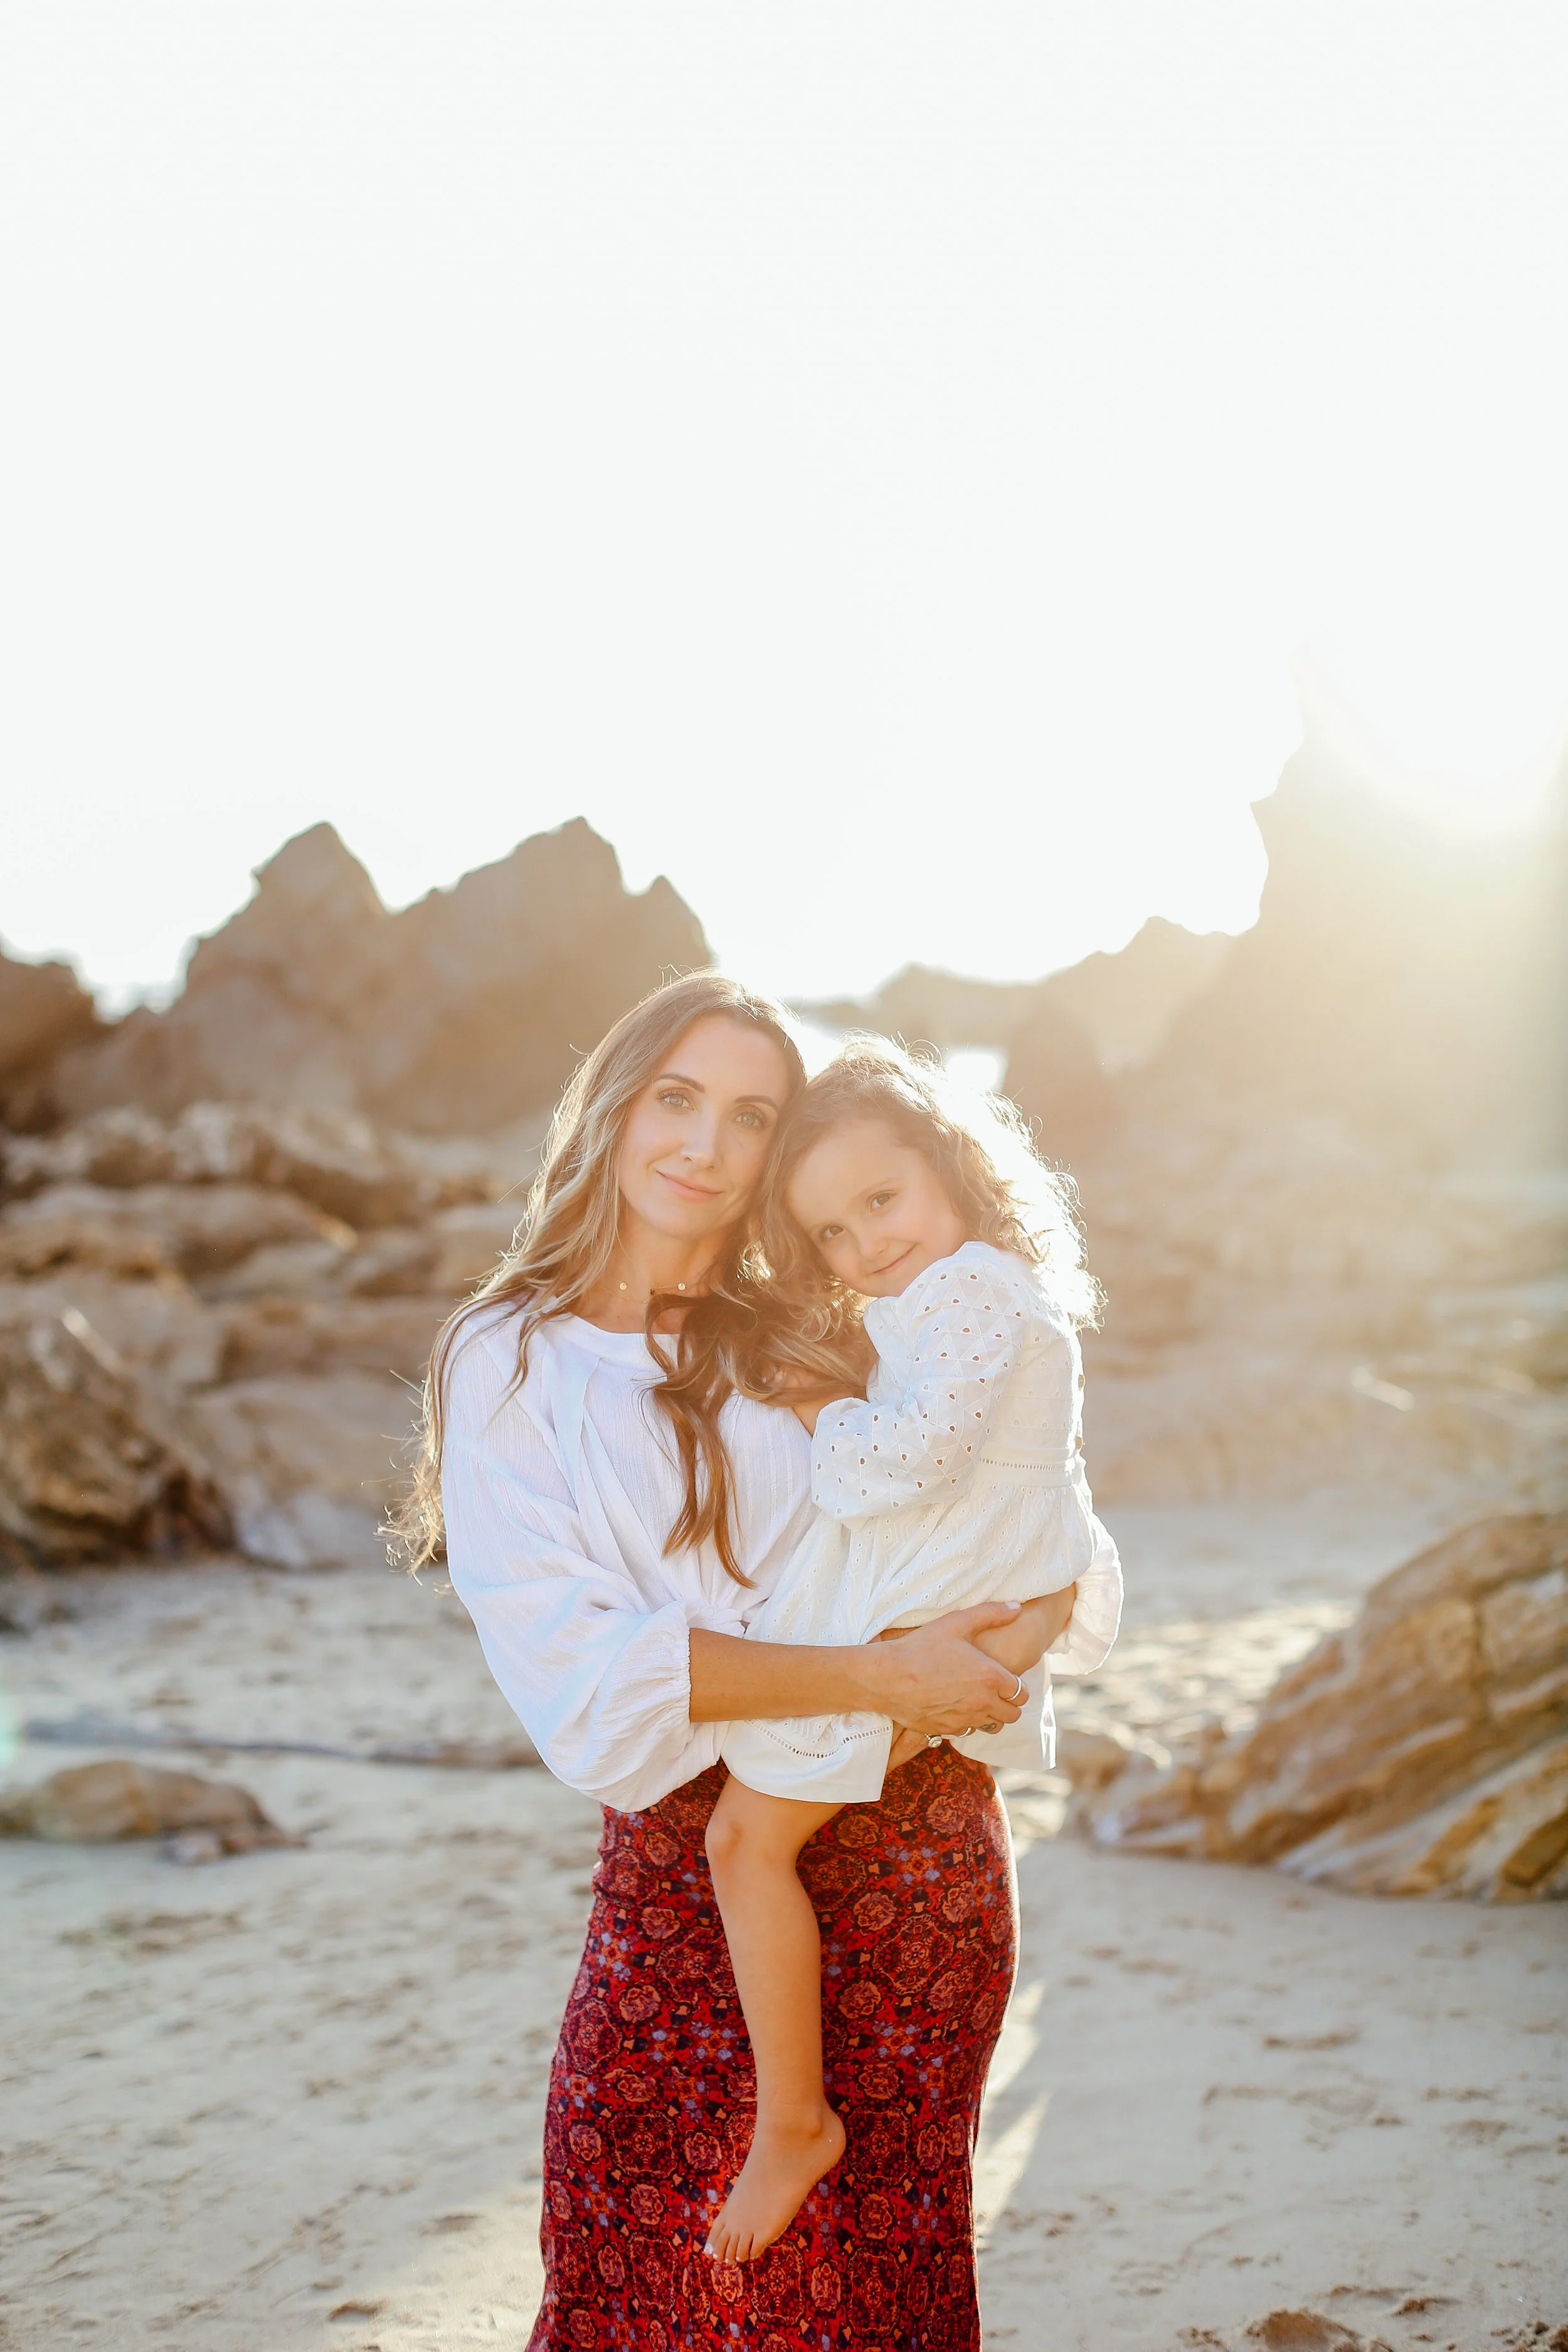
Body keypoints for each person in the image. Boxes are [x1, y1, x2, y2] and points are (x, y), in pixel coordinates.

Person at [396, 971, 1111, 2352]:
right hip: (681, 1880)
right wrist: (871, 1679)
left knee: (865, 2314)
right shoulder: (506, 1361)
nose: (704, 1146)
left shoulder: (821, 1328)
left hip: (917, 1856)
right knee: (634, 2296)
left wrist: (977, 1659)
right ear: (612, 1109)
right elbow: (584, 1679)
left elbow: (1020, 1521)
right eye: (676, 1099)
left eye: (748, 1117)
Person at [703, 1041, 1123, 2262]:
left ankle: (793, 2123)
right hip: (947, 1610)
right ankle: (791, 2119)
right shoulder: (961, 1299)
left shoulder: (977, 1293)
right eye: (828, 1234)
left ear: (950, 1162)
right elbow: (1052, 1483)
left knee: (742, 1839)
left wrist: (820, 1408)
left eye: (878, 1202)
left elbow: (914, 1457)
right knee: (753, 1836)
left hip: (917, 1622)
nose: (863, 1247)